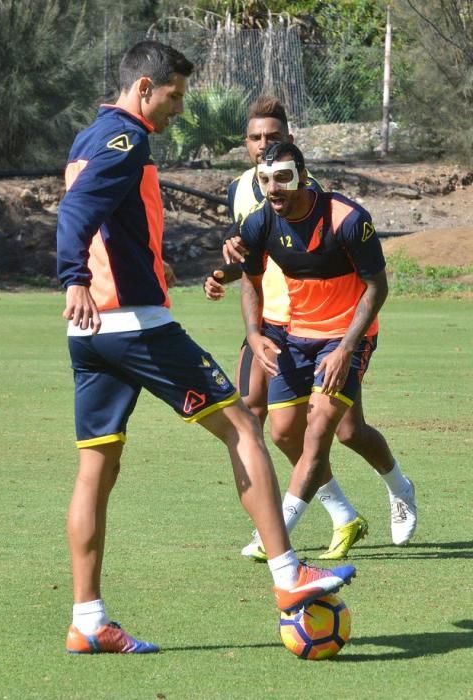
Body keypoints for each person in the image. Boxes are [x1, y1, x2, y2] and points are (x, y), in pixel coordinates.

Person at [56, 41, 356, 655]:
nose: (178, 109)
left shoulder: (86, 138)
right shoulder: (127, 138)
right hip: (135, 325)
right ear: (145, 88)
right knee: (243, 426)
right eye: (174, 96)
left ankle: (88, 621)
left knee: (97, 467)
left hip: (90, 337)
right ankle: (287, 575)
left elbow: (98, 212)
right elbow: (78, 211)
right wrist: (74, 276)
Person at [205, 97, 417, 561]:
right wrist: (255, 332)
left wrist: (346, 347)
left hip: (345, 335)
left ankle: (277, 533)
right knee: (287, 433)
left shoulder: (347, 219)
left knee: (323, 427)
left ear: (300, 174)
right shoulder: (260, 220)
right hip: (294, 333)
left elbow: (376, 287)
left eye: (283, 177)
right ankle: (358, 507)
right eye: (265, 180)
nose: (274, 188)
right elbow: (252, 282)